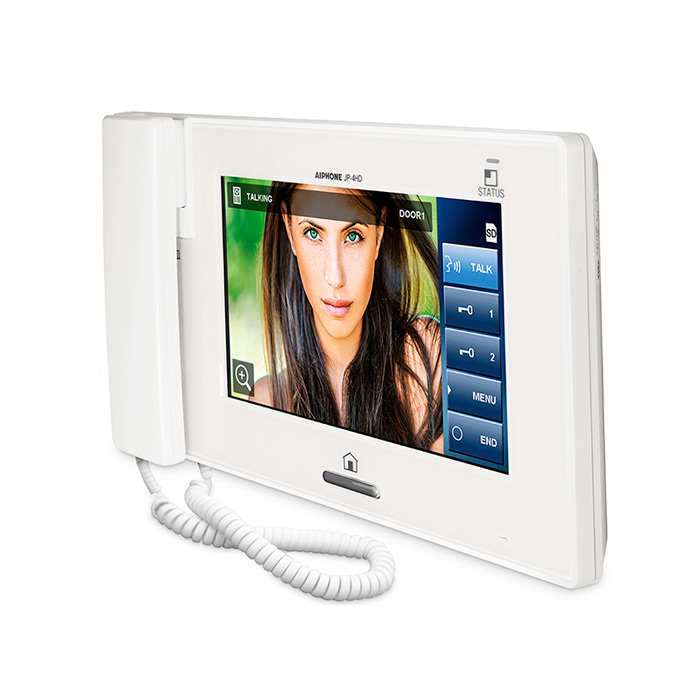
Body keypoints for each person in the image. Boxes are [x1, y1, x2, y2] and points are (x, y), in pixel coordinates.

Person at [250, 181, 443, 453]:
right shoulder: (268, 402)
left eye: (353, 236)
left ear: (378, 233)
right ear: (289, 230)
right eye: (313, 233)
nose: (335, 277)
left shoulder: (425, 358)